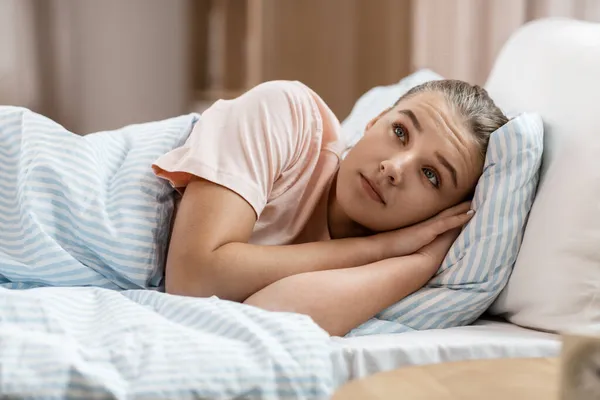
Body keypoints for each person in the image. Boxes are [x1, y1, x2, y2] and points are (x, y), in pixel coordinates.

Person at [152, 79, 508, 336]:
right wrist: (379, 248)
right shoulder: (288, 114)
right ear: (374, 121)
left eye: (431, 175)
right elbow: (194, 280)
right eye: (400, 132)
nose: (394, 168)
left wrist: (422, 262)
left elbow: (266, 318)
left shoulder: (389, 269)